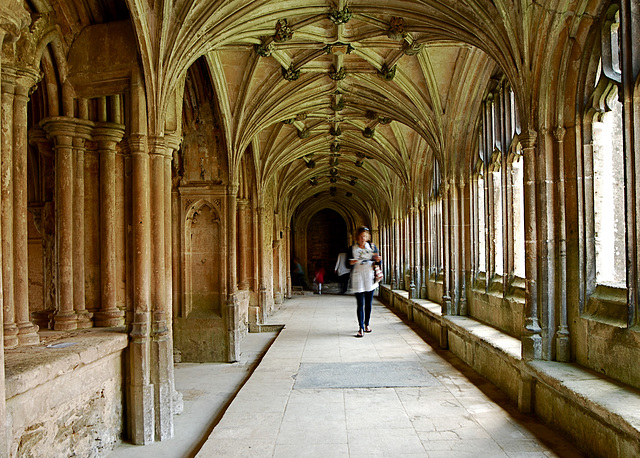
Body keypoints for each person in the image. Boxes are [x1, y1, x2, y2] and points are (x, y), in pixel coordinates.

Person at [348, 227, 381, 337]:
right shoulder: (352, 248)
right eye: (361, 236)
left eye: (364, 236)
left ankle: (367, 324)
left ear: (367, 237)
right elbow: (346, 264)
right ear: (357, 237)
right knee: (360, 304)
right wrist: (355, 261)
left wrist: (377, 260)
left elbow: (377, 263)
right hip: (358, 278)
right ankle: (360, 327)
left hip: (369, 278)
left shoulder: (372, 247)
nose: (362, 238)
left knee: (368, 303)